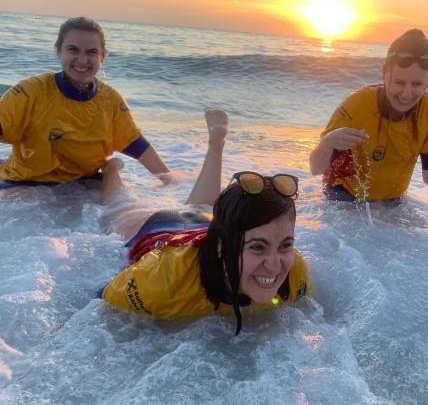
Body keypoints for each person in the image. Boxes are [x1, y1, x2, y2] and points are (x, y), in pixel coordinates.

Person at [100, 109, 312, 335]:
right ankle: (110, 169)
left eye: (285, 245)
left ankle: (216, 143)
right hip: (158, 229)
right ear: (221, 246)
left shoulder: (292, 271)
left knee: (203, 207)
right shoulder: (164, 280)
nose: (274, 265)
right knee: (118, 206)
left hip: (208, 224)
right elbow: (105, 304)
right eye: (258, 247)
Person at [309, 28, 428, 205]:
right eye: (399, 82)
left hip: (392, 201)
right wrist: (328, 143)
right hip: (343, 197)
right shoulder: (356, 105)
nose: (406, 94)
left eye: (417, 84)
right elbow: (315, 168)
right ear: (384, 72)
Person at [0, 16, 173, 187]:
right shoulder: (32, 91)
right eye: (73, 50)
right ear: (58, 50)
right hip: (26, 184)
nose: (82, 60)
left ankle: (111, 169)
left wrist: (171, 182)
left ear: (103, 56)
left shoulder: (111, 100)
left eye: (91, 52)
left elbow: (135, 144)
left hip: (83, 186)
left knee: (122, 200)